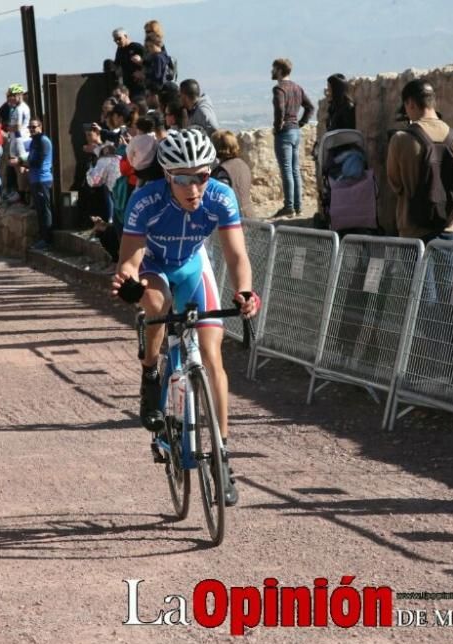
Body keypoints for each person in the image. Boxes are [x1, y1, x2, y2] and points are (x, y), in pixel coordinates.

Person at [110, 129, 261, 505]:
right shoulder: (146, 201)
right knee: (157, 306)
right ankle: (150, 374)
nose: (193, 188)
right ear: (166, 176)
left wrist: (244, 292)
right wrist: (129, 282)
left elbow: (237, 256)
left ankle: (223, 457)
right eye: (181, 179)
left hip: (194, 266)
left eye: (201, 176)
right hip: (156, 266)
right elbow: (129, 259)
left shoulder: (220, 198)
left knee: (212, 355)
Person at [386, 78, 453, 242]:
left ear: (410, 104)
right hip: (448, 226)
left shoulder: (401, 139)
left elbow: (396, 183)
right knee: (446, 268)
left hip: (413, 229)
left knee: (415, 269)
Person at [270, 58, 314, 218]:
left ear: (280, 71)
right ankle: (298, 206)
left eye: (274, 69)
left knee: (287, 169)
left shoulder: (279, 89)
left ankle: (289, 206)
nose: (271, 72)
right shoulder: (297, 88)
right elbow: (310, 107)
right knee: (295, 170)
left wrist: (277, 127)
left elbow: (280, 110)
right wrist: (301, 123)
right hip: (296, 132)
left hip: (285, 133)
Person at [25, 119, 54, 249]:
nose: (31, 129)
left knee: (44, 210)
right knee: (39, 210)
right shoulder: (34, 142)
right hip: (34, 179)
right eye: (30, 127)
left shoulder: (43, 141)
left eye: (34, 127)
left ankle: (47, 240)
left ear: (40, 127)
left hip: (43, 179)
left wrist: (21, 162)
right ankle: (42, 237)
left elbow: (38, 162)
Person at [211, 130, 254, 218]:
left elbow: (220, 199)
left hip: (233, 220)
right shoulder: (243, 164)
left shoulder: (222, 171)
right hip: (250, 216)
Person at [112, 28, 145, 96]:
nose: (117, 42)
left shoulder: (136, 47)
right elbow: (117, 64)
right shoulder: (120, 50)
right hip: (128, 86)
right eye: (115, 40)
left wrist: (142, 72)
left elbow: (151, 62)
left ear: (126, 36)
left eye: (119, 39)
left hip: (140, 85)